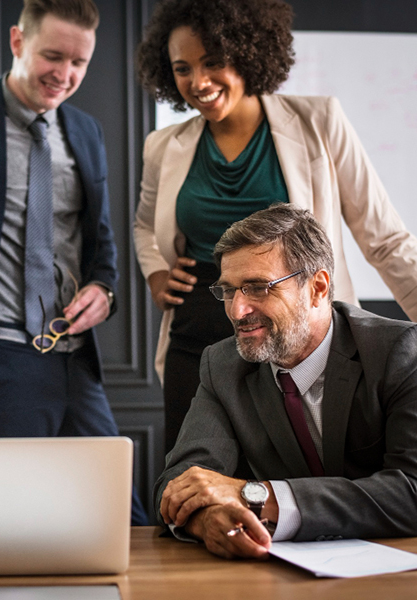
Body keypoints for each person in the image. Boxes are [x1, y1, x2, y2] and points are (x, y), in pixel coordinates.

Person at [132, 0, 417, 453]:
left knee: (296, 483)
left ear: (248, 51)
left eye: (213, 62)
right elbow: (145, 226)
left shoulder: (318, 121)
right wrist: (154, 271)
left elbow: (384, 238)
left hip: (295, 330)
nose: (198, 82)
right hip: (198, 331)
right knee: (194, 478)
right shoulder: (164, 145)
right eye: (182, 68)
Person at [0, 0, 148, 525]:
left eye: (79, 63)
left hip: (75, 358)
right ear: (18, 42)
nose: (64, 75)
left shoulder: (85, 131)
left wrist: (105, 290)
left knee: (122, 515)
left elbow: (99, 238)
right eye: (52, 56)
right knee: (10, 519)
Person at [155, 203, 417, 559]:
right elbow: (182, 481)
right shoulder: (223, 365)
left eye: (258, 287)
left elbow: (411, 491)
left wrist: (258, 496)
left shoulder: (399, 352)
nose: (237, 311)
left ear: (318, 288)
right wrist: (209, 518)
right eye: (229, 290)